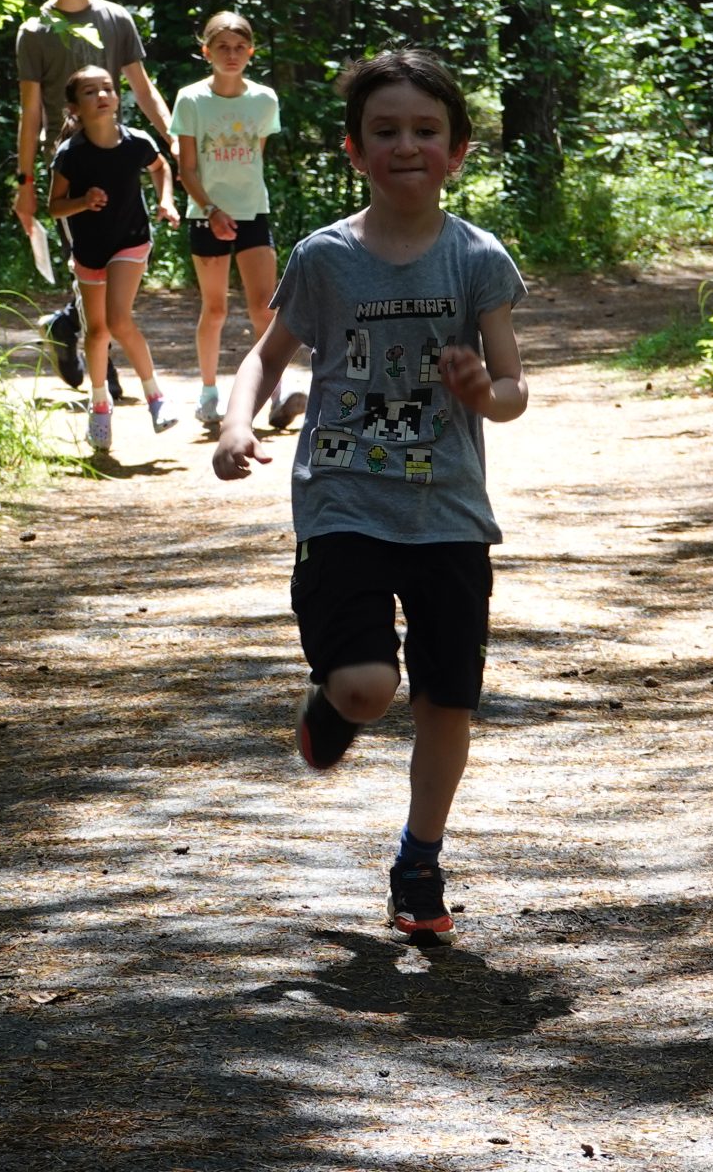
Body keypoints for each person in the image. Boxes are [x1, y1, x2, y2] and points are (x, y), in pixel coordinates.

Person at [212, 48, 528, 944]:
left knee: (447, 699)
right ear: (355, 151)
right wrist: (239, 423)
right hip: (342, 502)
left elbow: (513, 389)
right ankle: (333, 703)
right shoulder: (325, 258)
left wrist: (482, 395)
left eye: (426, 131)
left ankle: (420, 857)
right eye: (385, 131)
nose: (406, 145)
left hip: (450, 514)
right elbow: (267, 357)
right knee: (363, 686)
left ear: (457, 151)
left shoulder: (477, 258)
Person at [12, 0, 172, 394]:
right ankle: (95, 351)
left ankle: (70, 327)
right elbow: (30, 113)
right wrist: (25, 182)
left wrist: (171, 140)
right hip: (72, 164)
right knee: (87, 253)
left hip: (119, 156)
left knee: (120, 242)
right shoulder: (35, 30)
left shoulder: (115, 19)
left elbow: (142, 88)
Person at [169, 10, 293, 430]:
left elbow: (255, 152)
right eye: (223, 47)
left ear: (251, 51)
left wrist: (236, 206)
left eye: (240, 47)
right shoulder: (191, 99)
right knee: (216, 308)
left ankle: (277, 392)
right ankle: (208, 395)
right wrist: (211, 210)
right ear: (206, 51)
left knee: (264, 305)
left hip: (253, 211)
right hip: (206, 214)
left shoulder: (264, 99)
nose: (232, 54)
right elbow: (186, 168)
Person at [49, 65, 178, 448]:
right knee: (97, 331)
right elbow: (54, 207)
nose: (102, 95)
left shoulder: (136, 142)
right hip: (89, 251)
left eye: (107, 88)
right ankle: (100, 404)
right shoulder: (70, 155)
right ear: (75, 108)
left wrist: (166, 201)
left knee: (120, 319)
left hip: (131, 241)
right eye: (90, 92)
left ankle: (156, 398)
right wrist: (83, 202)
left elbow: (161, 168)